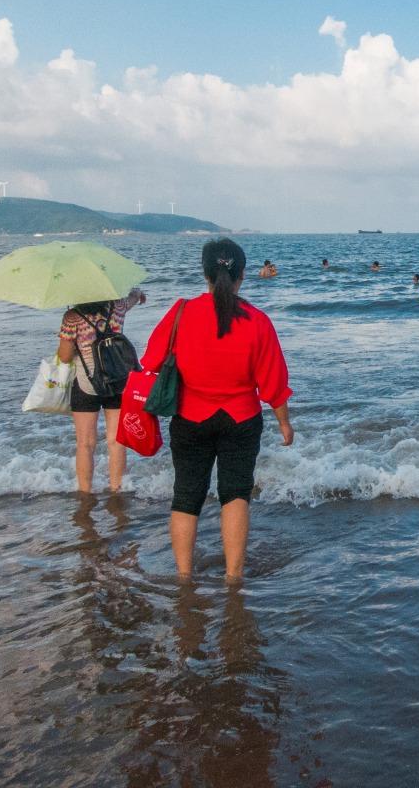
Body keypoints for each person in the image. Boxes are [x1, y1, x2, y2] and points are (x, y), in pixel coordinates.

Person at [140, 239, 293, 583]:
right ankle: (233, 578)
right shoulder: (257, 320)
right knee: (235, 495)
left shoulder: (181, 312)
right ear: (242, 275)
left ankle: (183, 576)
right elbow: (273, 382)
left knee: (185, 497)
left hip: (189, 417)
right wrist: (285, 424)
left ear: (205, 273)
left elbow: (150, 362)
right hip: (241, 419)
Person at [57, 287, 147, 493]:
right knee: (116, 441)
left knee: (85, 444)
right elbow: (132, 299)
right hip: (117, 381)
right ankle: (116, 490)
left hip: (87, 385)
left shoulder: (72, 317)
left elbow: (65, 357)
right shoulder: (117, 307)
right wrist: (137, 293)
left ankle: (85, 492)